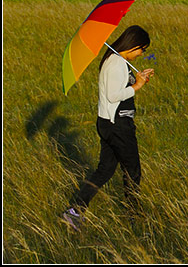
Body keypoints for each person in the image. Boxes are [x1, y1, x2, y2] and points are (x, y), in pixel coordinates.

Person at [61, 25, 154, 230]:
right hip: (117, 126)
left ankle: (74, 212)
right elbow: (114, 95)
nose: (142, 54)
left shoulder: (117, 61)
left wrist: (139, 79)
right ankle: (134, 216)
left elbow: (119, 88)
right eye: (142, 49)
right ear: (133, 45)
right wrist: (137, 86)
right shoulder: (116, 64)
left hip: (109, 124)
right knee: (132, 171)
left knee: (105, 170)